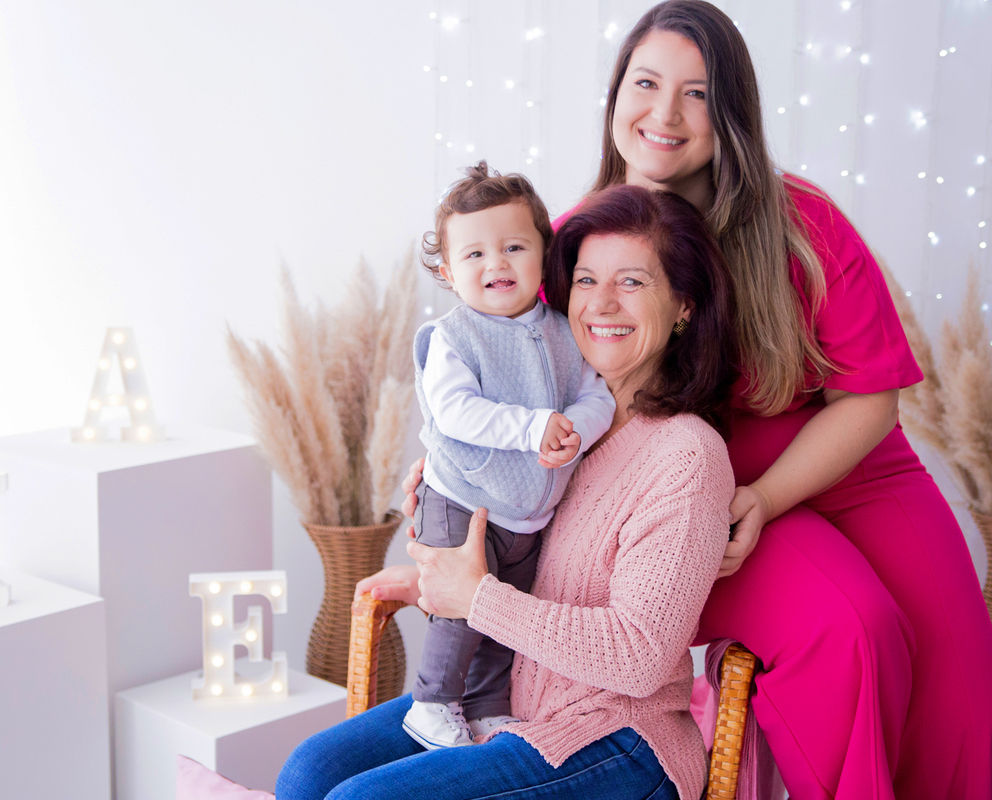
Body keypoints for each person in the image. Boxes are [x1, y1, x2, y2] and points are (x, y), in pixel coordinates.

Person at [379, 2, 992, 798]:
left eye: (698, 93)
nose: (664, 114)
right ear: (616, 96)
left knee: (970, 697)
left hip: (845, 473)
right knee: (850, 636)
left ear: (732, 113)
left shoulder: (800, 224)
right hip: (694, 494)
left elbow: (870, 403)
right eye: (646, 83)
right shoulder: (575, 238)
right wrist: (447, 467)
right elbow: (493, 363)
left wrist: (766, 497)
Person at [276, 184, 739, 800]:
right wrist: (446, 532)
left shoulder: (686, 454)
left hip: (618, 737)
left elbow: (640, 657)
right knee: (308, 773)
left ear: (683, 304)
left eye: (632, 282)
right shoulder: (545, 422)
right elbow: (514, 550)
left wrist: (476, 597)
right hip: (504, 695)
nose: (601, 304)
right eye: (584, 281)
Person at [404, 161, 615, 749]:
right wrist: (533, 428)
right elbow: (454, 412)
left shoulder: (565, 330)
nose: (495, 264)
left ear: (545, 254)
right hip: (462, 497)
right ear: (447, 271)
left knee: (502, 615)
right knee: (458, 609)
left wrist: (576, 429)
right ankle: (432, 701)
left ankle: (488, 706)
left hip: (528, 514)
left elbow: (595, 394)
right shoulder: (453, 336)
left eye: (513, 247)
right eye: (474, 255)